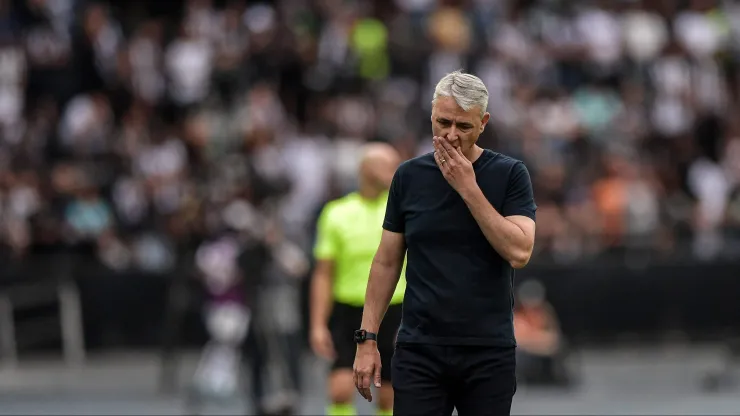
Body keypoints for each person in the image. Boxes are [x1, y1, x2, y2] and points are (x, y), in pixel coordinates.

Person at [352, 71, 537, 416]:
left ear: (483, 123)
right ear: (432, 116)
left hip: (488, 350)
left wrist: (468, 187)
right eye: (443, 122)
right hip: (420, 348)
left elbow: (519, 251)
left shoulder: (510, 174)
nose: (451, 135)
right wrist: (368, 340)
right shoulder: (408, 176)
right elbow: (387, 261)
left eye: (464, 127)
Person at [310, 143, 405, 416]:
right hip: (349, 310)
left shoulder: (401, 208)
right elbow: (323, 273)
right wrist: (318, 325)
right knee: (340, 389)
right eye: (386, 165)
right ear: (365, 169)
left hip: (395, 309)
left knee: (390, 395)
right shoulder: (336, 212)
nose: (394, 170)